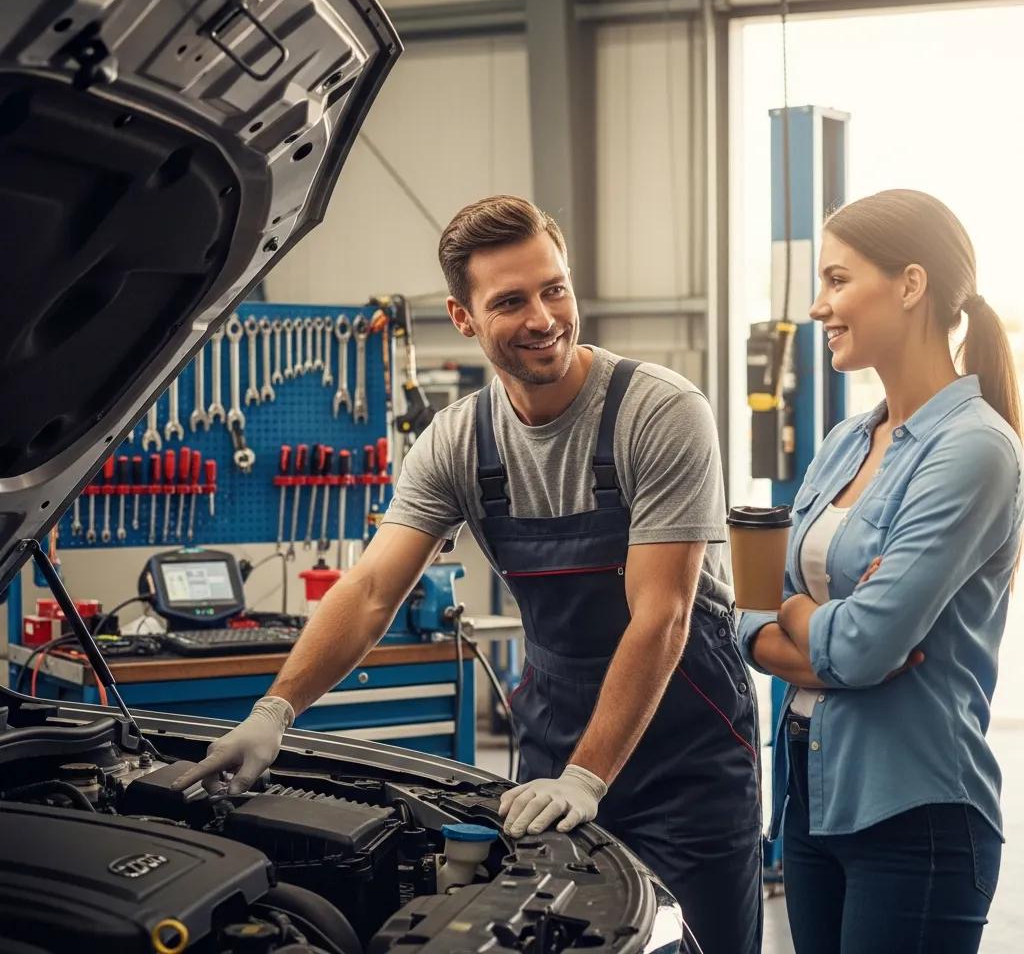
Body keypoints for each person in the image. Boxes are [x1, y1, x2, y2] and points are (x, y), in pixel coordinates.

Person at [174, 195, 763, 953]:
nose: (544, 316)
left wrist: (587, 779)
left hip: (687, 761)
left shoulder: (658, 412)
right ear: (463, 317)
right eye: (511, 301)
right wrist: (273, 713)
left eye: (555, 288)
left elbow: (664, 616)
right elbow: (371, 590)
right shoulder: (459, 441)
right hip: (553, 746)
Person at [738, 189, 1024, 954]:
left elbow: (855, 641)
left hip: (915, 818)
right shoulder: (843, 442)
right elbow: (753, 607)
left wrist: (801, 622)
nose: (817, 303)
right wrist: (818, 631)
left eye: (837, 280)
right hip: (809, 802)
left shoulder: (972, 449)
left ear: (910, 284)